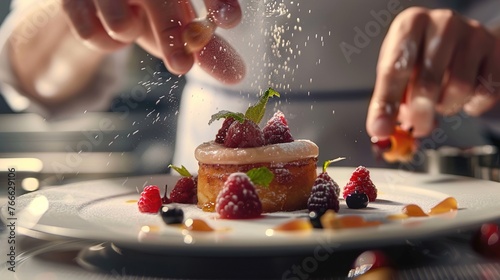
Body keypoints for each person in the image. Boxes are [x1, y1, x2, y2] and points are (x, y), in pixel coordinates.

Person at [1, 0, 499, 173]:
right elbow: (30, 72)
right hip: (209, 238)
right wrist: (85, 19)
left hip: (420, 229)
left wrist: (486, 61)